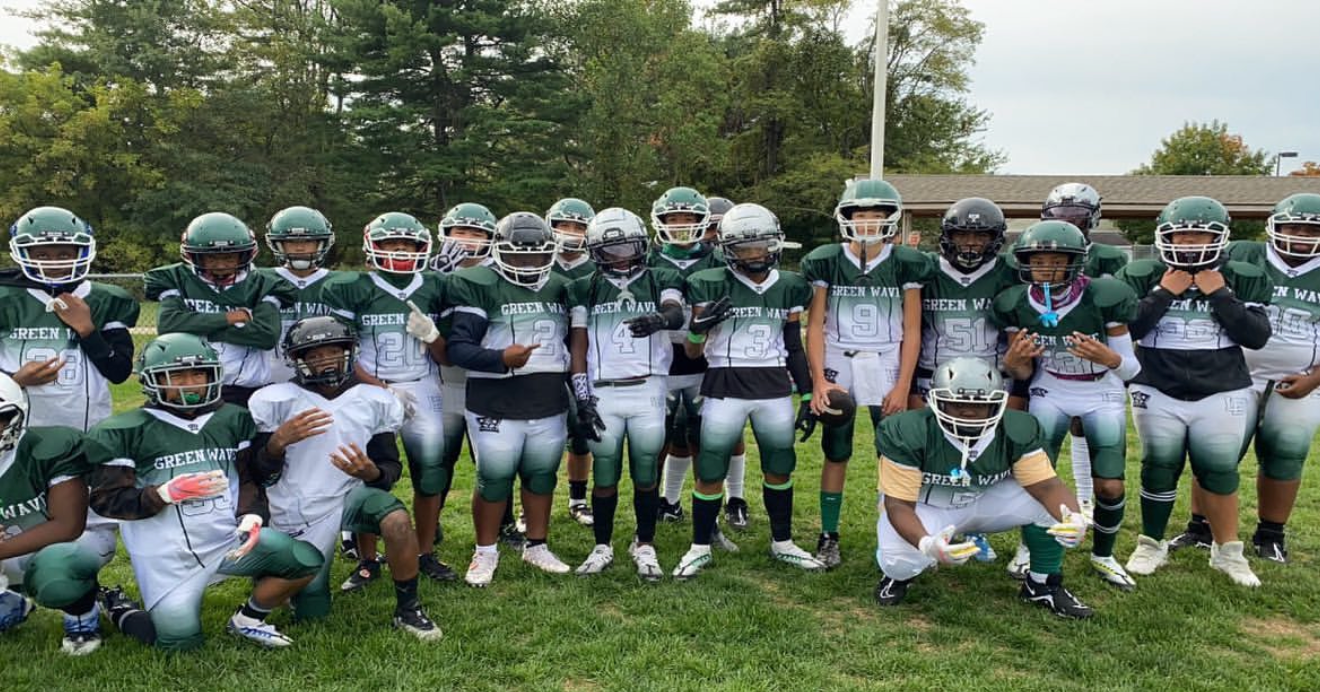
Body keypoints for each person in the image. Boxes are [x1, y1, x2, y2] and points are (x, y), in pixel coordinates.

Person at [89, 333, 322, 651]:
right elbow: (106, 499)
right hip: (168, 557)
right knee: (179, 645)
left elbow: (246, 477)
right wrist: (162, 494)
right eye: (177, 375)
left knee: (304, 559)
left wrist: (252, 514)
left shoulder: (231, 418)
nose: (190, 384)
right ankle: (120, 608)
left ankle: (248, 619)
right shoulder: (124, 429)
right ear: (152, 380)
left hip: (226, 540)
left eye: (198, 374)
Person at [249, 316, 441, 639]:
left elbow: (389, 467)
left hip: (350, 498)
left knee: (396, 519)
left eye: (332, 351)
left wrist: (372, 472)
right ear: (298, 360)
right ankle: (277, 575)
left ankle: (409, 609)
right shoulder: (275, 400)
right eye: (314, 355)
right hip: (298, 507)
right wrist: (275, 443)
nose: (325, 360)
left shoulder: (374, 399)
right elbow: (258, 473)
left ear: (348, 352)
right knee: (312, 611)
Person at [1116, 196, 1272, 587]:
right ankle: (1150, 544)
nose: (1189, 242)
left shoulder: (1242, 275)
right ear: (1165, 237)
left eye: (1199, 234)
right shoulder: (1140, 273)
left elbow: (1256, 337)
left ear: (1219, 237)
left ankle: (1228, 552)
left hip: (1222, 386)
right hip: (1158, 384)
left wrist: (1220, 294)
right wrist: (1164, 293)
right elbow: (1126, 330)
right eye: (1181, 235)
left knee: (1219, 469)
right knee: (1158, 466)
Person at [873, 357, 1093, 619]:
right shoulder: (907, 431)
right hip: (928, 506)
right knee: (898, 562)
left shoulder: (1017, 428)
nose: (968, 411)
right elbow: (898, 504)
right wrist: (926, 543)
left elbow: (1046, 486)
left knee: (1053, 508)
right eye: (957, 403)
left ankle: (1042, 584)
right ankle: (900, 575)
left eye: (979, 404)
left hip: (987, 500)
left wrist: (1074, 517)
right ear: (936, 401)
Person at [673, 203, 823, 578]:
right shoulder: (709, 282)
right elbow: (693, 351)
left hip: (772, 385)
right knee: (710, 466)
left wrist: (806, 393)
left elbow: (793, 345)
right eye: (744, 248)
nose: (754, 255)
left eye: (761, 246)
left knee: (780, 465)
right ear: (727, 248)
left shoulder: (789, 286)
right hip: (724, 382)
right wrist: (697, 329)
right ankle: (699, 546)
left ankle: (782, 542)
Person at [1168, 193, 1320, 564]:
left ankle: (1271, 534)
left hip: (1297, 380)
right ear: (1274, 227)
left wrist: (1315, 379)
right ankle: (1200, 527)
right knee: (1214, 451)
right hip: (1231, 373)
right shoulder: (1239, 255)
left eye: (1310, 228)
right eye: (1292, 226)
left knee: (1286, 452)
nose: (1300, 235)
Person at [993, 220, 1141, 591]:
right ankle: (1029, 547)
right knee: (1036, 476)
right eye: (1037, 260)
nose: (1045, 268)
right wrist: (1012, 362)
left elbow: (1131, 370)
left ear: (1075, 261)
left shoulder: (1104, 296)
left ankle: (1104, 554)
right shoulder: (1016, 302)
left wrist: (1108, 357)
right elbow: (1021, 370)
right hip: (1050, 389)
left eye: (1055, 260)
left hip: (1101, 390)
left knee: (1109, 486)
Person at [801, 178, 929, 569]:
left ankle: (890, 533)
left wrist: (903, 384)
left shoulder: (906, 263)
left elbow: (912, 329)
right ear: (846, 218)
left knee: (891, 451)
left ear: (891, 220)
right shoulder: (827, 259)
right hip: (840, 357)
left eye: (877, 216)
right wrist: (820, 379)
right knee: (836, 449)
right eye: (861, 215)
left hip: (887, 358)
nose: (869, 223)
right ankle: (828, 534)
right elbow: (817, 323)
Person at [322, 212, 453, 587]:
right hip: (367, 390)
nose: (400, 250)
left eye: (408, 244)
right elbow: (341, 351)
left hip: (423, 385)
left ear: (421, 248)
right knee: (368, 472)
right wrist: (380, 387)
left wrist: (431, 335)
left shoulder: (434, 286)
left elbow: (445, 357)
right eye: (390, 244)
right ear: (372, 249)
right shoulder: (353, 287)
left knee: (431, 473)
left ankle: (426, 551)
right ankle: (367, 558)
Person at [445, 212, 574, 586]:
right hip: (494, 398)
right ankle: (485, 551)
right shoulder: (478, 283)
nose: (528, 263)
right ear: (500, 251)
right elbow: (458, 348)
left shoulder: (561, 286)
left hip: (547, 398)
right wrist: (501, 359)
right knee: (494, 478)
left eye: (536, 255)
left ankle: (537, 545)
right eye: (518, 255)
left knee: (541, 475)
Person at [567, 208, 685, 580]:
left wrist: (662, 320)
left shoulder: (661, 276)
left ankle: (645, 543)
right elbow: (579, 347)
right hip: (603, 390)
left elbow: (676, 311)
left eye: (628, 247)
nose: (623, 256)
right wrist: (582, 396)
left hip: (648, 385)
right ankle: (602, 545)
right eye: (613, 249)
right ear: (598, 251)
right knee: (604, 472)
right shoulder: (582, 286)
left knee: (647, 467)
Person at [648, 188, 742, 542]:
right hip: (660, 358)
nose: (681, 225)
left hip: (707, 359)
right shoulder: (648, 259)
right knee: (655, 441)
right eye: (673, 219)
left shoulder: (719, 259)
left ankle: (710, 521)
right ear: (660, 222)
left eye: (688, 218)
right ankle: (651, 513)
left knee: (707, 441)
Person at [432, 203, 527, 550]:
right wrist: (436, 279)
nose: (467, 240)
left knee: (494, 458)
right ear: (445, 234)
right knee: (438, 458)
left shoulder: (501, 274)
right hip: (444, 378)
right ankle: (431, 522)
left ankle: (503, 524)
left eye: (476, 234)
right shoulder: (431, 274)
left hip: (488, 377)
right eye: (460, 232)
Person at [0, 373, 113, 655]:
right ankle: (9, 602)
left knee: (58, 569)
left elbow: (68, 525)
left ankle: (81, 619)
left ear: (16, 415)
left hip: (68, 543)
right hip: (9, 548)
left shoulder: (49, 448)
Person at [1038, 183, 1129, 521]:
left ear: (1093, 219)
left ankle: (1087, 499)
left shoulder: (1109, 258)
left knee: (1085, 429)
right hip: (1050, 356)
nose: (1069, 223)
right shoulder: (1037, 250)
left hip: (1094, 351)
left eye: (1077, 217)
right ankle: (1055, 508)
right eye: (1060, 216)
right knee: (1045, 444)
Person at [145, 212, 294, 407]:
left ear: (244, 254)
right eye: (212, 258)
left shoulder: (263, 284)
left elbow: (265, 336)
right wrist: (229, 318)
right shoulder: (177, 278)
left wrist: (196, 325)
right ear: (195, 256)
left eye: (229, 257)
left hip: (244, 389)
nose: (221, 265)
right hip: (190, 385)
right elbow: (169, 325)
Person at [547, 197, 599, 528]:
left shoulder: (597, 265)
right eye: (564, 224)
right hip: (545, 357)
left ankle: (578, 499)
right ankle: (529, 504)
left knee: (582, 432)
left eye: (578, 226)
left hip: (586, 356)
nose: (570, 232)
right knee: (539, 434)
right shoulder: (536, 259)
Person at [260, 206, 342, 385]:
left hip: (324, 372)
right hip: (270, 374)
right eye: (291, 242)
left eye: (308, 240)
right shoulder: (259, 279)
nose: (299, 247)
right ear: (277, 244)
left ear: (322, 242)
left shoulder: (340, 283)